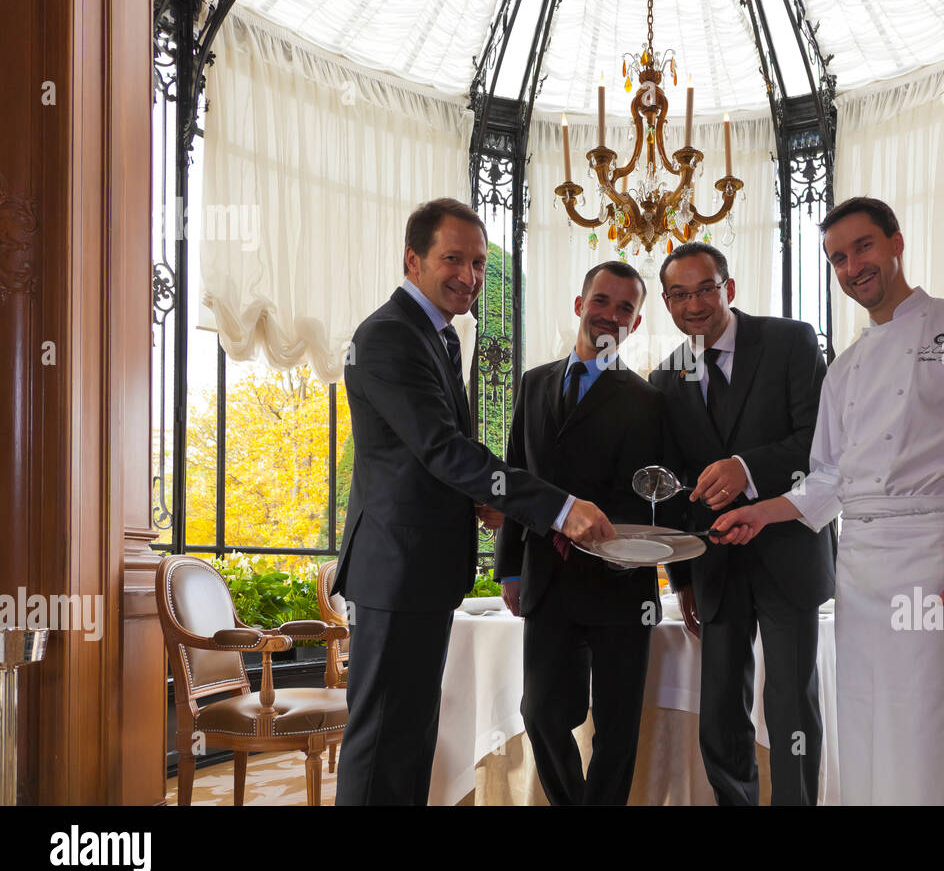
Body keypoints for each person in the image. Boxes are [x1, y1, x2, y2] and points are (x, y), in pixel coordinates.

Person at [713, 196, 944, 805]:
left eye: (862, 247)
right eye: (838, 257)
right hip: (860, 568)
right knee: (863, 719)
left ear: (896, 243)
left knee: (933, 717)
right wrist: (762, 510)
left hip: (937, 557)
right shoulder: (845, 367)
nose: (851, 266)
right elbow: (830, 478)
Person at [331, 198, 614, 806]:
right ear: (412, 258)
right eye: (452, 259)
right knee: (382, 739)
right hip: (395, 571)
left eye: (479, 263)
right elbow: (444, 450)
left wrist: (485, 505)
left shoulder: (437, 337)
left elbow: (426, 458)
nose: (469, 275)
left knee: (408, 734)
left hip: (420, 571)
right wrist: (559, 507)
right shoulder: (388, 336)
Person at [649, 242, 834, 805]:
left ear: (728, 288)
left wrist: (747, 469)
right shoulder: (665, 376)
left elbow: (821, 443)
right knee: (720, 709)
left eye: (705, 288)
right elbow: (675, 484)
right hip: (714, 567)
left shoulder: (790, 341)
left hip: (789, 553)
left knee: (789, 705)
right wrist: (681, 580)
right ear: (666, 303)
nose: (694, 304)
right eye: (679, 294)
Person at [493, 261, 665, 805]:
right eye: (601, 301)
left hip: (621, 588)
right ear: (579, 304)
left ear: (635, 323)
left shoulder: (648, 400)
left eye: (624, 308)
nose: (610, 315)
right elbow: (515, 480)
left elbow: (652, 495)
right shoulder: (532, 383)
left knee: (617, 728)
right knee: (540, 711)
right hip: (547, 582)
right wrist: (512, 568)